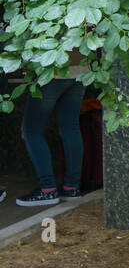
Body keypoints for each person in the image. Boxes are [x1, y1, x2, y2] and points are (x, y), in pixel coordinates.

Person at [16, 75, 84, 206]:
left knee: (31, 130)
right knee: (71, 127)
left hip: (52, 71)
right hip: (81, 70)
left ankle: (47, 189)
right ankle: (71, 188)